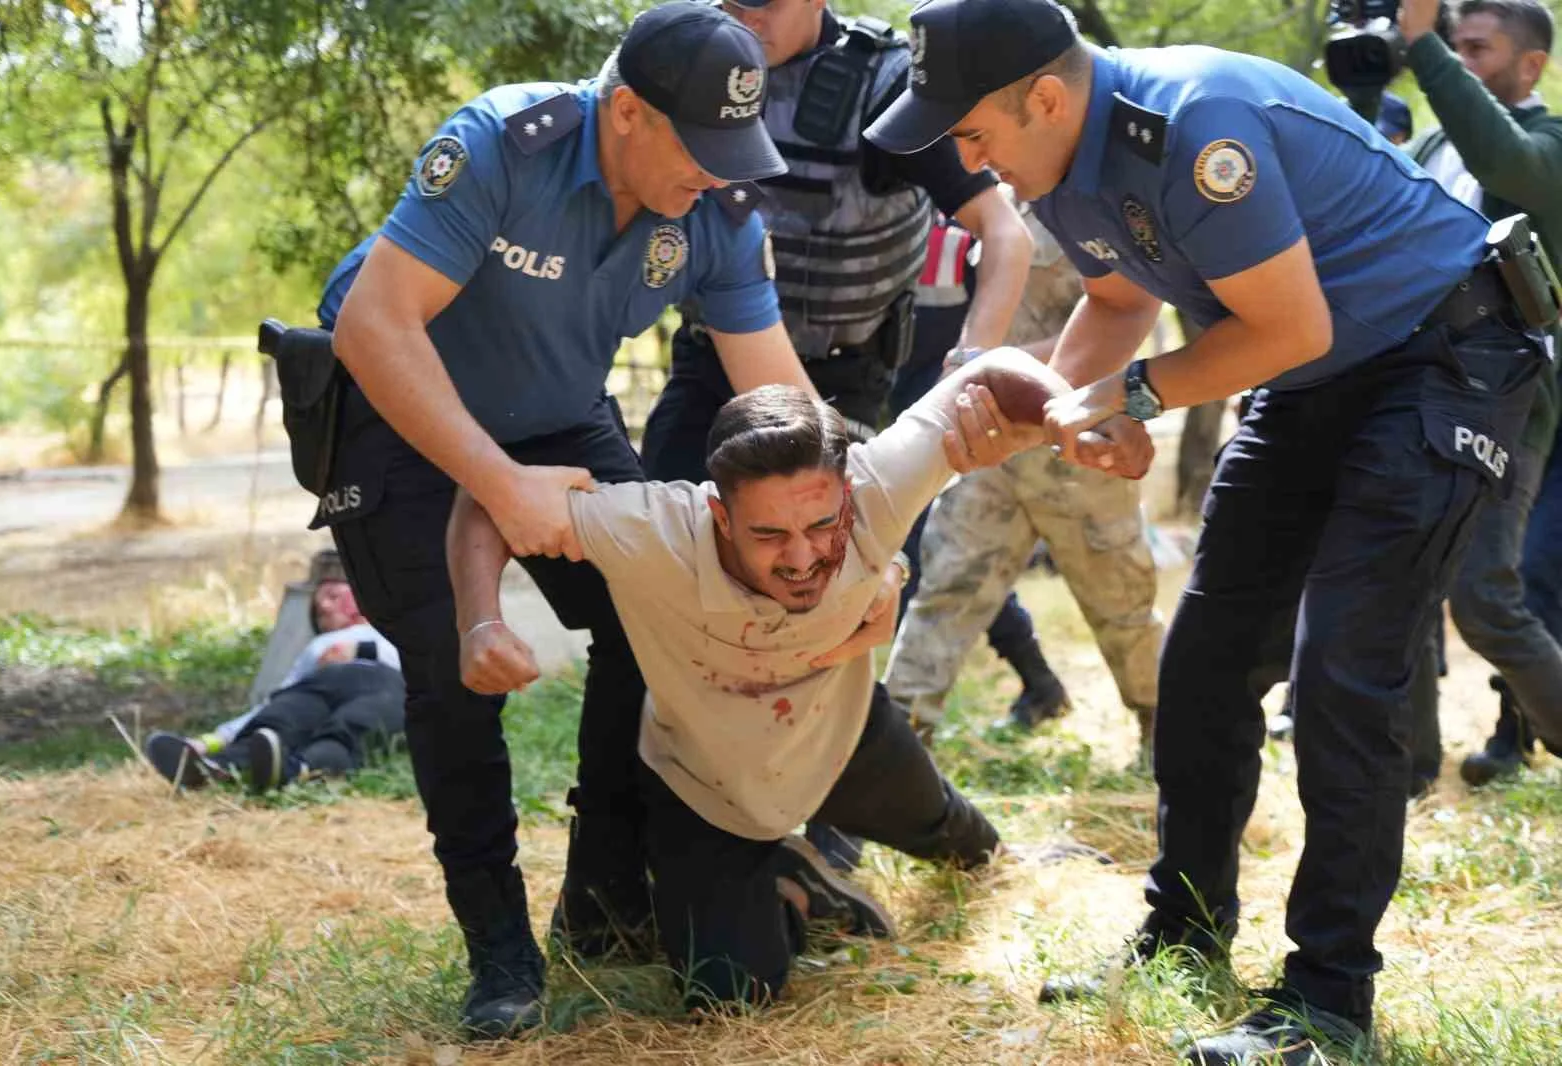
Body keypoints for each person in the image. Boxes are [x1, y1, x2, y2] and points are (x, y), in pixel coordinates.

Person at [867, 1, 1550, 1063]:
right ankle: (1183, 934)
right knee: (1205, 666)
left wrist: (1131, 399)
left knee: (1344, 675)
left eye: (971, 132)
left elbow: (1288, 325)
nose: (968, 161)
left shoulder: (1191, 125)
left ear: (1044, 97)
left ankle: (1328, 1004)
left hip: (1440, 355)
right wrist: (1060, 408)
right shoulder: (1061, 163)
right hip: (1315, 369)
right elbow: (1116, 298)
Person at [314, 3, 819, 1040]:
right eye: (702, 148)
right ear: (627, 112)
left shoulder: (716, 215)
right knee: (456, 673)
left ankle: (601, 889)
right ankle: (499, 948)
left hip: (556, 413)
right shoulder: (505, 144)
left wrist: (857, 517)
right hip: (400, 407)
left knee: (653, 614)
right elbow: (374, 320)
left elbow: (779, 402)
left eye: (737, 152)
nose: (720, 175)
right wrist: (499, 483)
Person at [446, 350, 1136, 1009]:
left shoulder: (879, 482)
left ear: (847, 493)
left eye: (822, 523)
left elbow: (989, 373)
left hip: (846, 738)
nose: (803, 556)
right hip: (710, 786)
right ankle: (800, 884)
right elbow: (494, 501)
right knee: (728, 996)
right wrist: (480, 623)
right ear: (719, 515)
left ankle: (931, 841)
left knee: (966, 846)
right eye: (770, 534)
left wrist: (1065, 414)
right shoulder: (651, 529)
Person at [638, 0, 1033, 483]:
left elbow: (1005, 232)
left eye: (766, 3)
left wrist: (966, 370)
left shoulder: (888, 87)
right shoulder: (686, 50)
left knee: (837, 543)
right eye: (731, 1)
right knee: (669, 530)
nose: (746, 18)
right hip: (709, 360)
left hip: (839, 378)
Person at [885, 203, 1164, 754]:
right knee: (947, 586)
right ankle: (896, 744)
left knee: (1121, 604)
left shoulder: (1105, 201)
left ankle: (1165, 728)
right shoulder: (1000, 196)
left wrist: (991, 367)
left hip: (1080, 447)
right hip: (994, 449)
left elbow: (1125, 319)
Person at [1399, 0, 1562, 786]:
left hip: (1508, 403)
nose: (1459, 59)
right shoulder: (1433, 143)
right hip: (1410, 395)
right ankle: (1409, 768)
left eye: (1476, 48)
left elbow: (1504, 163)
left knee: (1486, 597)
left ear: (1530, 65)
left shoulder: (1551, 144)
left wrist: (1422, 45)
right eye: (1452, 46)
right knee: (1398, 593)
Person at [144, 578, 405, 793]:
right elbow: (274, 702)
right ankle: (214, 768)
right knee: (279, 718)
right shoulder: (316, 648)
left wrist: (361, 649)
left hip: (387, 683)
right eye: (319, 611)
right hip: (318, 684)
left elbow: (427, 659)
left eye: (334, 595)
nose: (324, 606)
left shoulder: (397, 627)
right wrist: (211, 740)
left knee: (349, 727)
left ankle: (297, 770)